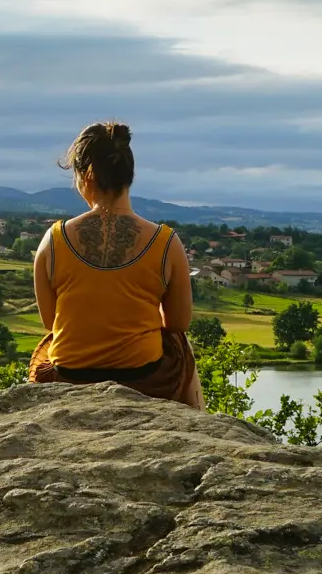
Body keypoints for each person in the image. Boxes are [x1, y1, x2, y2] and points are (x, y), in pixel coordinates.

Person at [29, 121, 203, 408]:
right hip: (145, 377)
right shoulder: (166, 242)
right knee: (181, 345)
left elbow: (52, 323)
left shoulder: (53, 240)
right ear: (129, 176)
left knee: (47, 348)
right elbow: (178, 323)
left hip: (69, 376)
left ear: (87, 176)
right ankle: (199, 425)